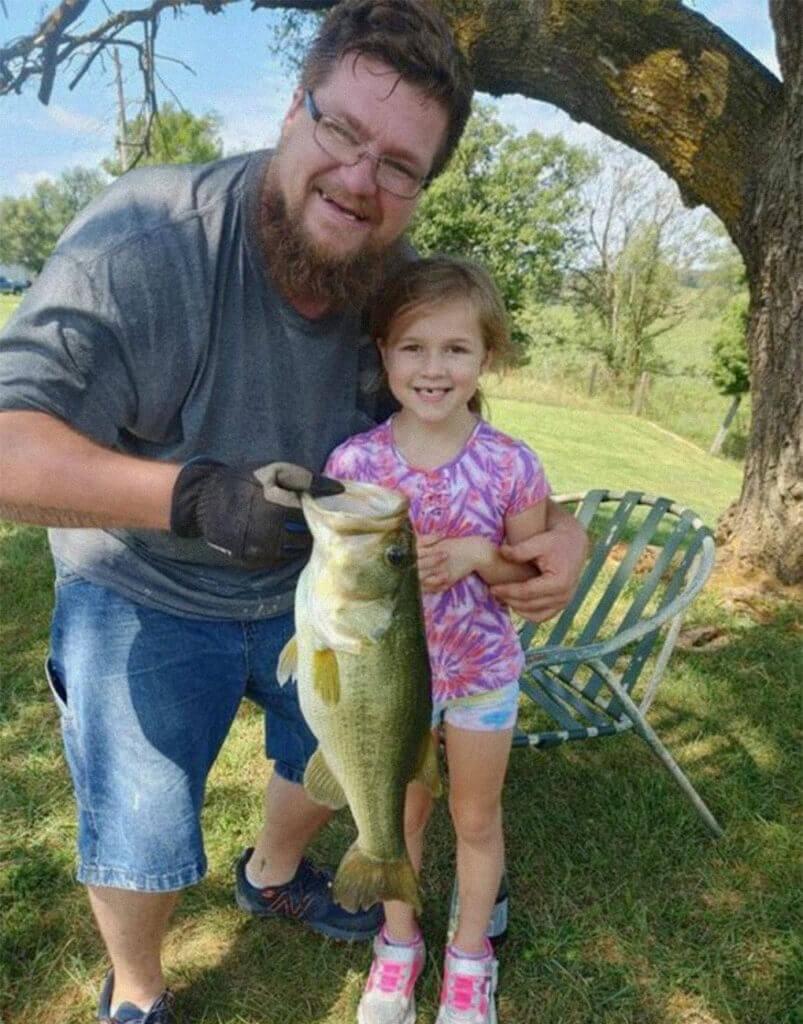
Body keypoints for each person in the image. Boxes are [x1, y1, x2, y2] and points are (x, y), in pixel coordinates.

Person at [0, 3, 586, 1021]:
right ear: (290, 110)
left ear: (420, 187)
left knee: (348, 752)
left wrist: (564, 538)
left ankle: (272, 867)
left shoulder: (394, 298)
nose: (362, 180)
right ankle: (136, 992)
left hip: (315, 586)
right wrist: (187, 493)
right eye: (342, 133)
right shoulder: (145, 238)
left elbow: (472, 448)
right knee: (139, 818)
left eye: (399, 166)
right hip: (138, 580)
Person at [324, 256, 559, 1024]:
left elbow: (530, 594)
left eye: (455, 349)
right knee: (404, 817)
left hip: (480, 675)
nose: (433, 368)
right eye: (412, 348)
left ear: (486, 357)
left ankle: (467, 957)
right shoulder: (354, 464)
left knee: (476, 818)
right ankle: (398, 946)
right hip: (384, 688)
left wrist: (478, 556)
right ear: (384, 355)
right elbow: (327, 578)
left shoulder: (513, 464)